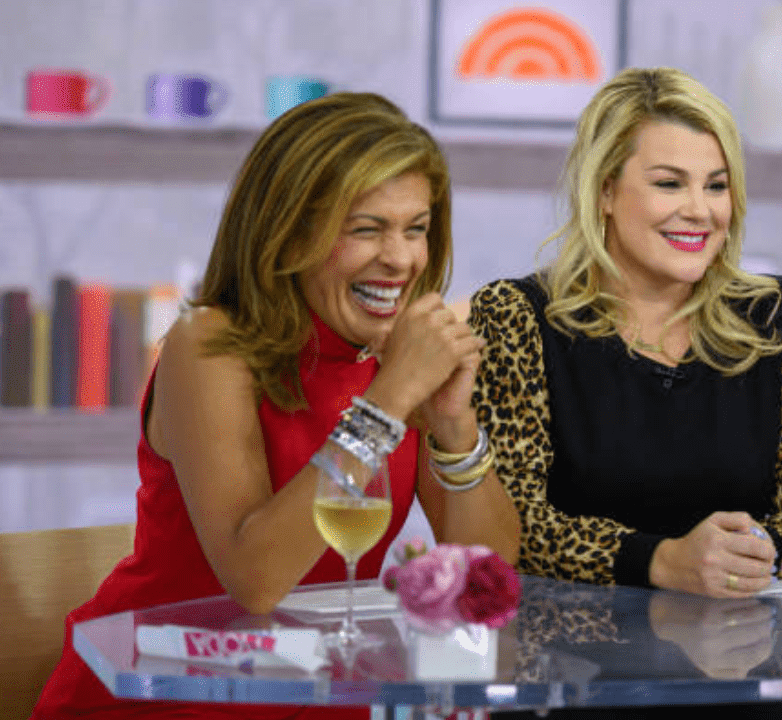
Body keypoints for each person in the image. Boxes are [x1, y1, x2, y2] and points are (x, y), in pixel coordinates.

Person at [32, 92, 520, 719]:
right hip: (170, 694)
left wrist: (454, 423)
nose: (400, 259)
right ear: (289, 233)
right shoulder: (209, 345)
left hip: (313, 694)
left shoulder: (394, 357)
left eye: (416, 228)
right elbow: (257, 579)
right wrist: (392, 396)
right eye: (365, 228)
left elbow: (488, 573)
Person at [468, 67, 782, 719]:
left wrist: (749, 553)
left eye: (717, 185)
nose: (701, 210)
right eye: (668, 183)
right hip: (576, 685)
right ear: (603, 190)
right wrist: (662, 560)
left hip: (753, 678)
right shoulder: (517, 317)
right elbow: (514, 528)